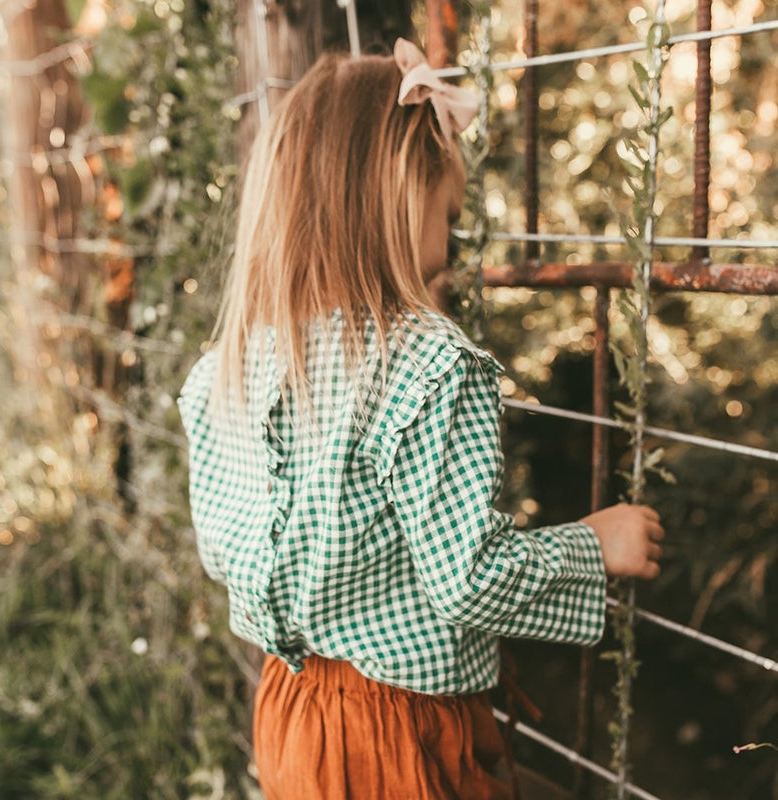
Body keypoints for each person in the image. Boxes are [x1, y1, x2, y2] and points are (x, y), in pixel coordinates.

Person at [178, 38, 665, 800]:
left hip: (291, 712)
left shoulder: (225, 371)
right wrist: (592, 547)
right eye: (452, 210)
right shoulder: (430, 368)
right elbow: (466, 582)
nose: (456, 234)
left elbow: (226, 554)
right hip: (397, 734)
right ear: (406, 193)